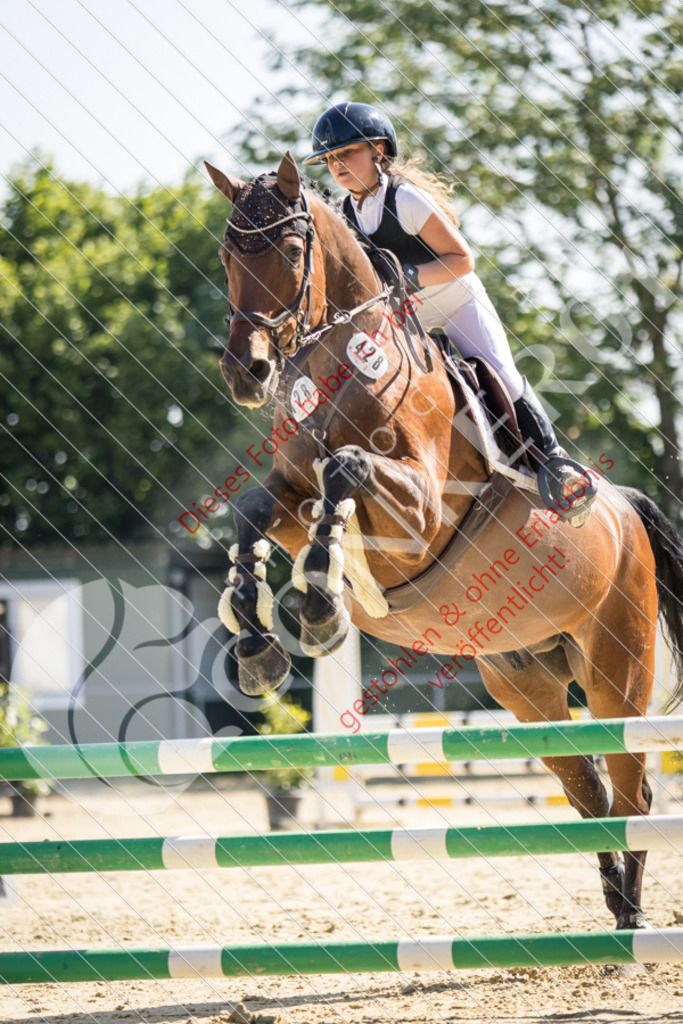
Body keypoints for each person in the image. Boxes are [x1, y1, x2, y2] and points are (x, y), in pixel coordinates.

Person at [303, 101, 596, 523]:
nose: (337, 165)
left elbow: (461, 260)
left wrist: (406, 275)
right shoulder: (344, 215)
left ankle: (554, 463)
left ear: (379, 151)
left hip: (457, 301)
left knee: (502, 373)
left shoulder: (405, 199)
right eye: (330, 159)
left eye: (347, 153)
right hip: (409, 321)